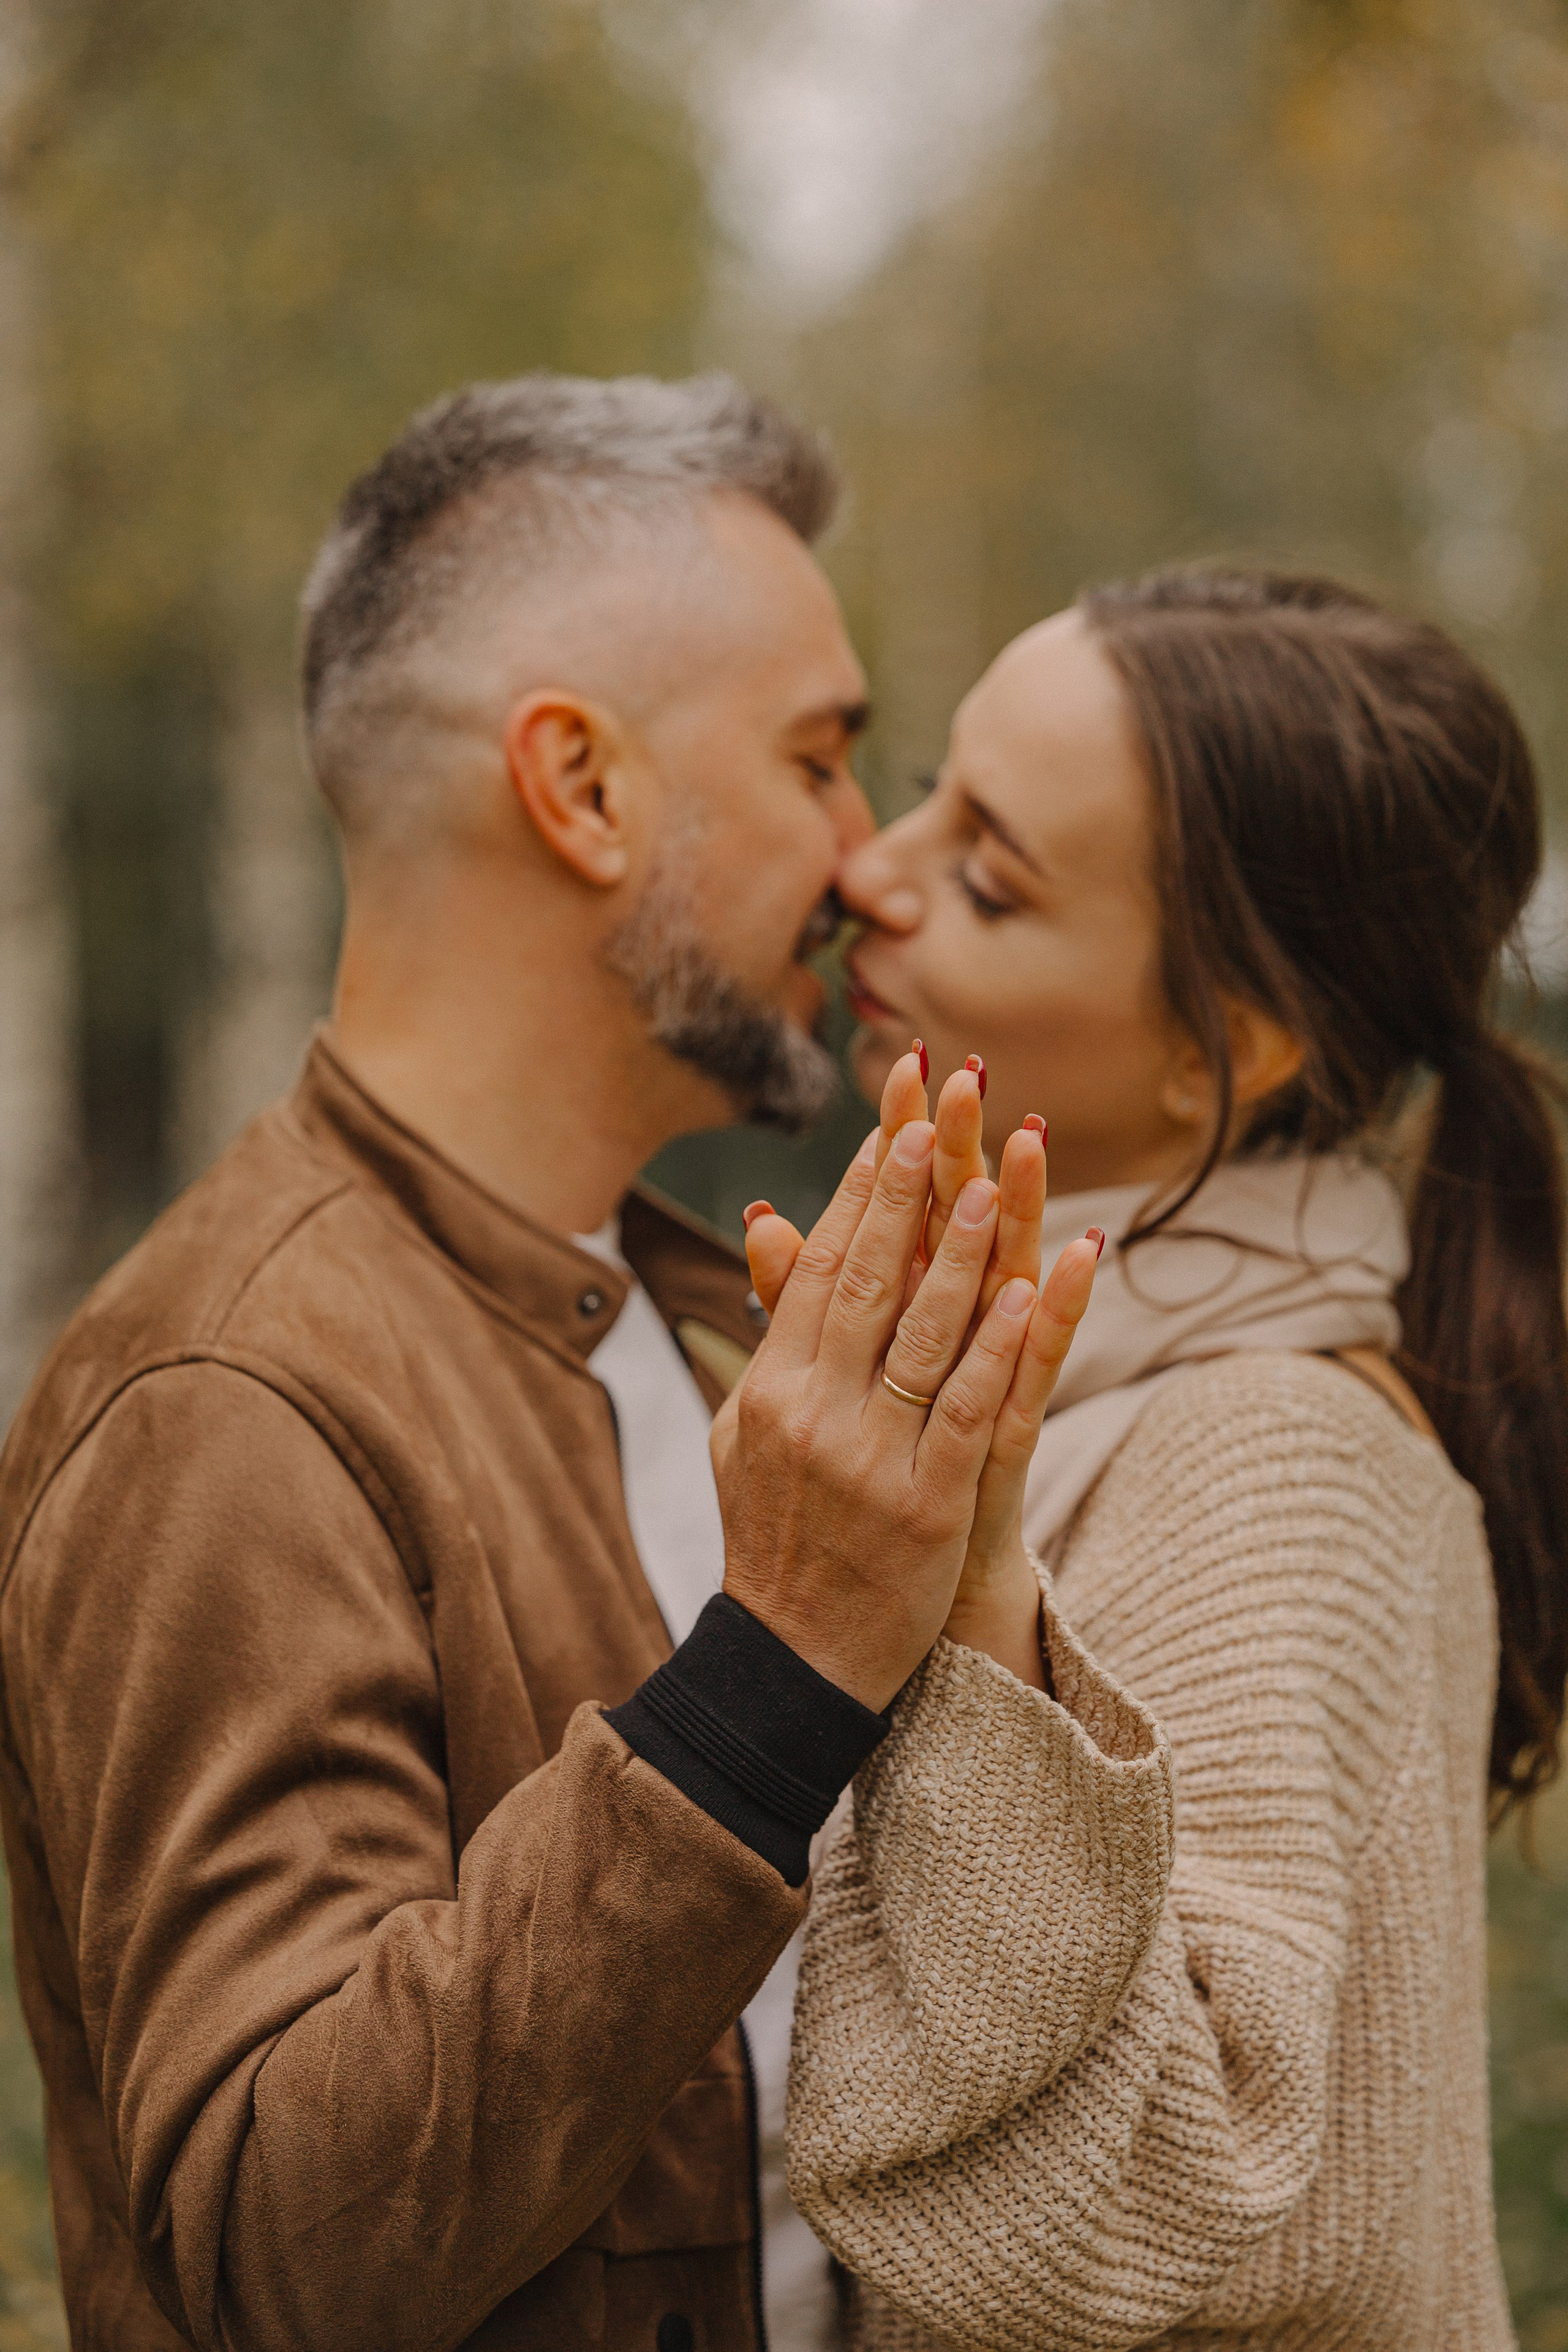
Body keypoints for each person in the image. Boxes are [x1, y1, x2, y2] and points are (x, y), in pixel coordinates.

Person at [0, 372, 1098, 2352]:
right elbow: (277, 2253)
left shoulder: (691, 1318)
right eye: (821, 758)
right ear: (580, 787)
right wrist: (775, 1678)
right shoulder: (227, 1404)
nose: (865, 862)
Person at [767, 568, 1567, 2348]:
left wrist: (970, 1608)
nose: (868, 876)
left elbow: (1134, 2193)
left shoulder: (1267, 1454)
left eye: (988, 874)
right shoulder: (1158, 1394)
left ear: (1240, 1052)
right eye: (925, 789)